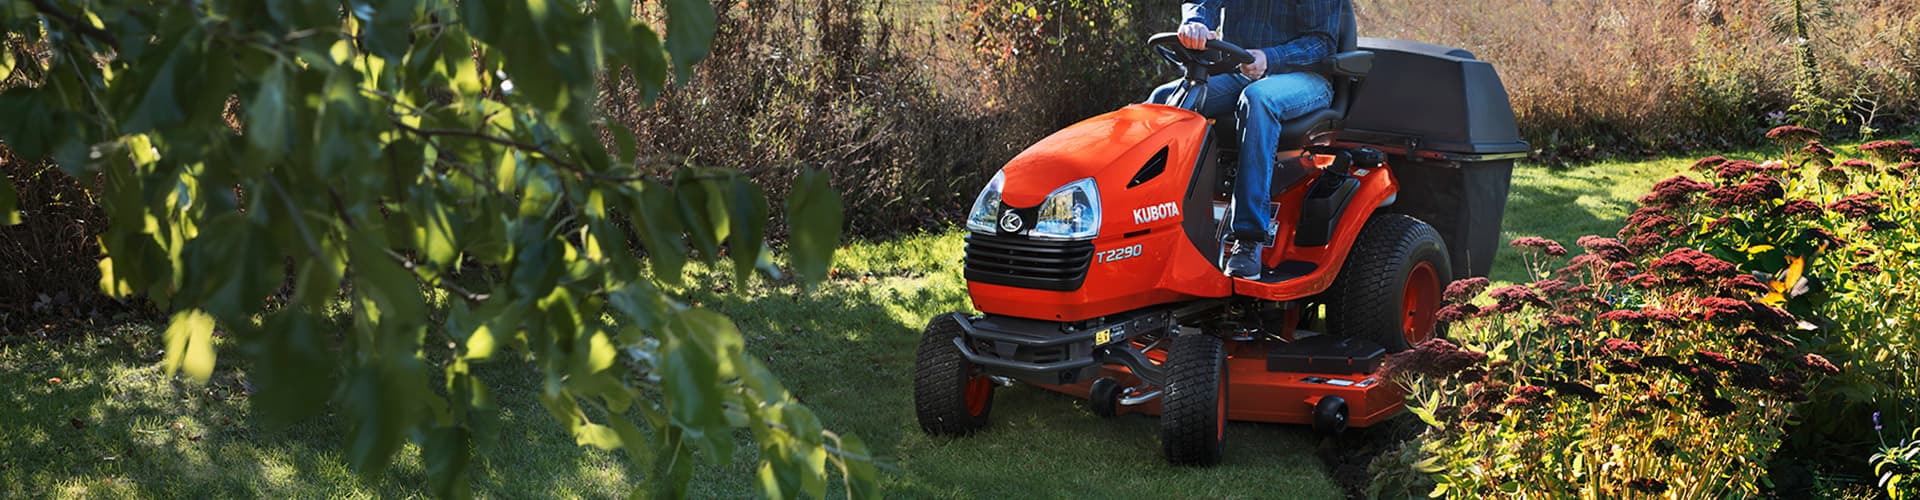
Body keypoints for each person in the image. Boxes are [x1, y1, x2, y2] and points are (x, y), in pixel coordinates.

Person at [1148, 0, 1346, 279]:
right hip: (1239, 73)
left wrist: (1270, 57)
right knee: (1164, 100)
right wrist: (1196, 23)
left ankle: (1248, 239)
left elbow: (1322, 43)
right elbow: (1202, 3)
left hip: (1304, 77)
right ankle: (1154, 226)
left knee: (1258, 100)